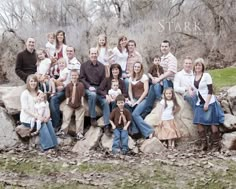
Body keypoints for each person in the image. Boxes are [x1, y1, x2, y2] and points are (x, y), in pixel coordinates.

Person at [189, 58, 224, 151]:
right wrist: (190, 90)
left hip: (209, 102)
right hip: (199, 102)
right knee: (198, 122)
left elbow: (210, 90)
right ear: (194, 67)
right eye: (196, 65)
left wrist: (207, 103)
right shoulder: (192, 77)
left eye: (199, 65)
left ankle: (216, 145)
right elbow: (191, 86)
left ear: (202, 66)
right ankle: (204, 144)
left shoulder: (206, 76)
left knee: (213, 122)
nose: (197, 67)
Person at [20, 74, 58, 151]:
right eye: (31, 81)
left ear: (37, 82)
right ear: (28, 82)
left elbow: (46, 104)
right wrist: (37, 116)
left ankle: (54, 144)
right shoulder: (25, 93)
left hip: (41, 115)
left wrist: (47, 116)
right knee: (42, 124)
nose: (33, 83)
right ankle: (47, 147)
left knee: (48, 122)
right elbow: (25, 109)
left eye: (35, 81)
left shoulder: (40, 92)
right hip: (29, 118)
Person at [141, 40, 177, 118]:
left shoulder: (171, 58)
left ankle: (159, 101)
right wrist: (155, 78)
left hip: (168, 82)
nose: (164, 48)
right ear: (160, 48)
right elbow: (156, 71)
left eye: (166, 46)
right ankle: (148, 109)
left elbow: (170, 71)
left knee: (153, 86)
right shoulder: (161, 58)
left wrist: (159, 79)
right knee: (152, 86)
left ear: (169, 47)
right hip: (161, 80)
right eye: (162, 46)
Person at [80, 48, 110, 133]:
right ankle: (92, 118)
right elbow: (81, 78)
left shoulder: (102, 66)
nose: (94, 55)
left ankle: (107, 126)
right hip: (87, 88)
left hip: (98, 88)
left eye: (95, 53)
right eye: (92, 53)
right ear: (89, 55)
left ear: (98, 55)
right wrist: (89, 87)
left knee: (105, 102)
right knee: (92, 95)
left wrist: (103, 92)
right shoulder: (84, 65)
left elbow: (104, 81)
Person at [128, 62, 154, 139]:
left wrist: (138, 101)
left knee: (135, 114)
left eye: (138, 67)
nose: (136, 68)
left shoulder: (144, 77)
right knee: (128, 109)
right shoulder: (131, 77)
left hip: (143, 99)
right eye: (135, 67)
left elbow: (146, 91)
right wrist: (132, 100)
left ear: (141, 68)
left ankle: (149, 130)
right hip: (134, 98)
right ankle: (135, 131)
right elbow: (129, 90)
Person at [59, 70, 85, 140]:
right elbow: (67, 95)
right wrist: (67, 103)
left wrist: (82, 104)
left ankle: (79, 133)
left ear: (78, 76)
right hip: (70, 103)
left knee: (79, 119)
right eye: (72, 75)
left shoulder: (81, 85)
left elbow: (82, 95)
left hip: (79, 104)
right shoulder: (68, 85)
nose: (74, 77)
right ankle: (63, 131)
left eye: (75, 75)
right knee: (66, 117)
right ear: (70, 76)